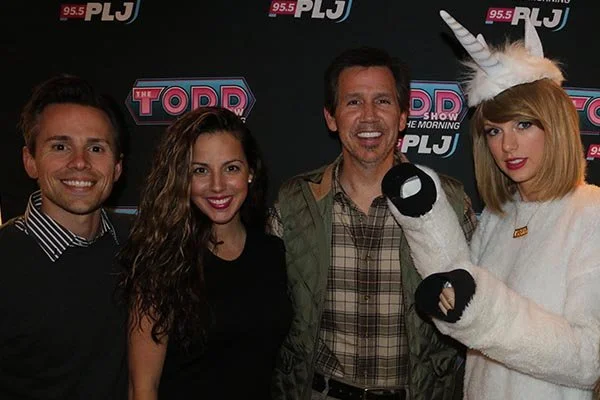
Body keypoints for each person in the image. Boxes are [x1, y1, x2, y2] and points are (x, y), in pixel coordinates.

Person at [382, 10, 600, 400]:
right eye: (494, 131)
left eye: (523, 125)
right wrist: (425, 218)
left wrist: (483, 312)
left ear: (556, 126)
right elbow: (461, 294)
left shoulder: (591, 213)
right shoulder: (500, 218)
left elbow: (589, 359)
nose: (507, 146)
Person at [268, 46, 477, 400]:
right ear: (331, 117)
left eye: (382, 101)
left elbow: (479, 304)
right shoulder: (294, 203)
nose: (369, 116)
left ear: (403, 117)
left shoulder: (449, 201)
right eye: (353, 102)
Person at [120, 106, 292, 400]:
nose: (217, 186)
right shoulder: (162, 263)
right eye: (200, 170)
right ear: (182, 179)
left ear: (250, 172)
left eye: (231, 168)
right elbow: (143, 388)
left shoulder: (272, 252)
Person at [0, 74, 129, 399]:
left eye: (96, 148)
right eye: (60, 146)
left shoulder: (140, 246)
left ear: (117, 168)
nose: (80, 163)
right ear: (30, 161)